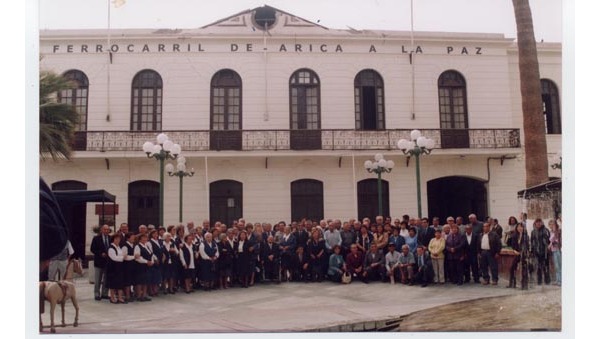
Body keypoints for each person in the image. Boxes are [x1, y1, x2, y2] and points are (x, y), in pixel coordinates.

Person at [90, 224, 111, 300]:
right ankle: (97, 294)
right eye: (104, 229)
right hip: (99, 262)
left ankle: (105, 293)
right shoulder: (96, 238)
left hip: (108, 262)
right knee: (98, 279)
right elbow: (92, 249)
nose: (106, 231)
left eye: (107, 230)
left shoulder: (110, 238)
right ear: (101, 230)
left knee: (106, 279)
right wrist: (100, 253)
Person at [507, 222, 529, 289]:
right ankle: (512, 283)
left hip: (524, 254)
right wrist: (515, 251)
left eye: (521, 227)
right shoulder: (514, 236)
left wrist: (524, 252)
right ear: (516, 228)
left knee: (524, 269)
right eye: (518, 227)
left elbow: (527, 245)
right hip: (517, 253)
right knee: (512, 268)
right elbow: (512, 245)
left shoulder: (525, 236)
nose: (520, 228)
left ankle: (524, 284)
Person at [106, 233, 126, 304]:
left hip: (119, 267)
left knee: (120, 283)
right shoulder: (111, 248)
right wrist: (123, 258)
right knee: (113, 283)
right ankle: (112, 297)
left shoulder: (119, 247)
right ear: (113, 239)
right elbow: (114, 258)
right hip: (113, 268)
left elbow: (123, 255)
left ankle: (120, 298)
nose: (118, 240)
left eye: (119, 239)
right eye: (116, 239)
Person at [134, 233, 154, 301]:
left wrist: (151, 261)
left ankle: (144, 295)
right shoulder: (137, 246)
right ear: (140, 239)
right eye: (143, 238)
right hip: (140, 266)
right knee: (140, 281)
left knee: (146, 281)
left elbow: (151, 255)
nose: (145, 239)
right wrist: (146, 262)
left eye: (146, 238)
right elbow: (138, 258)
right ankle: (139, 296)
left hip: (147, 266)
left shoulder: (146, 246)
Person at [531, 218, 551, 285]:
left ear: (542, 223)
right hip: (537, 251)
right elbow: (532, 242)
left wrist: (547, 249)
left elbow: (549, 241)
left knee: (546, 266)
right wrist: (532, 251)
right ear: (535, 223)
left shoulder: (546, 230)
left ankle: (547, 280)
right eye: (537, 222)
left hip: (545, 251)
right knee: (538, 267)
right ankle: (539, 280)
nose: (538, 223)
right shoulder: (533, 232)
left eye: (540, 222)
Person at [121, 232, 137, 302]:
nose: (133, 238)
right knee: (127, 281)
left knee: (131, 281)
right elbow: (125, 257)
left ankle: (130, 294)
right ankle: (127, 296)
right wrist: (134, 257)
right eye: (132, 237)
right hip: (126, 266)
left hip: (133, 265)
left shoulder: (133, 245)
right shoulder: (125, 246)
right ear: (128, 238)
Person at [147, 229, 163, 297]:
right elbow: (151, 252)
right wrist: (155, 258)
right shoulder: (149, 242)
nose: (155, 235)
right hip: (154, 261)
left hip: (160, 260)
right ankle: (151, 291)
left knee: (157, 276)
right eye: (154, 234)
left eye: (156, 233)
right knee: (152, 276)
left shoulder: (159, 241)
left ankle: (156, 290)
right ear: (151, 234)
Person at [548, 219, 561, 286]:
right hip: (553, 250)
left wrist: (550, 244)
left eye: (552, 224)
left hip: (557, 250)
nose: (551, 226)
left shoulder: (557, 232)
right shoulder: (551, 232)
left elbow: (556, 241)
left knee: (558, 265)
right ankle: (558, 279)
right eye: (550, 225)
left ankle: (560, 281)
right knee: (556, 266)